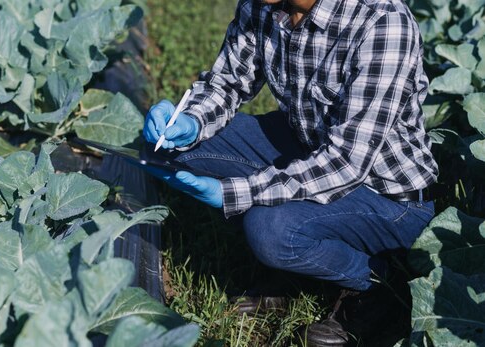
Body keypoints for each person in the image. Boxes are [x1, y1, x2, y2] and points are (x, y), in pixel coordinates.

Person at [143, 0, 438, 344]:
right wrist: (191, 120)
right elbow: (227, 83)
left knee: (269, 229)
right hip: (308, 147)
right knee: (163, 146)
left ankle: (374, 281)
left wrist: (234, 193)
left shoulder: (383, 22)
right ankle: (298, 265)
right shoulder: (263, 4)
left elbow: (345, 163)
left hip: (388, 199)